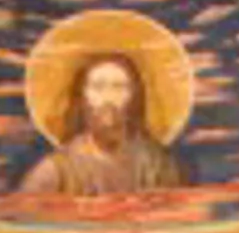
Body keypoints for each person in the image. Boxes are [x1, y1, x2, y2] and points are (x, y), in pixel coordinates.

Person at [19, 50, 186, 200]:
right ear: (82, 97)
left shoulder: (158, 166)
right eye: (98, 87)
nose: (108, 98)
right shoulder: (56, 171)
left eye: (119, 87)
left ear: (135, 96)